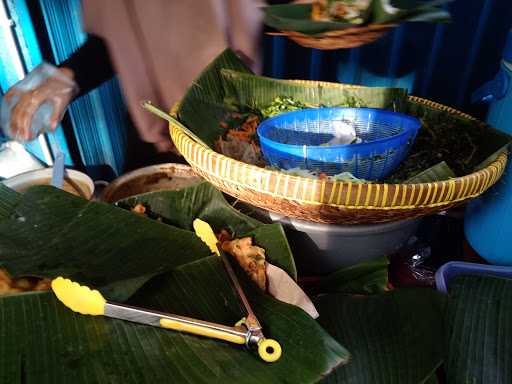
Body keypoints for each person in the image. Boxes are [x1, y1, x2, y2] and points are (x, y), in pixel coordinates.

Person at [5, 0, 283, 170]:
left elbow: (281, 10)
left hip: (234, 123)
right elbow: (121, 38)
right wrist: (69, 76)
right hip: (157, 125)